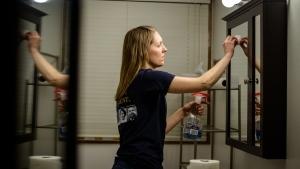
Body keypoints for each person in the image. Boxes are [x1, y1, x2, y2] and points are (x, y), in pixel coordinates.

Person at [113, 25, 237, 169]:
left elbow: (153, 132)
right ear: (143, 50)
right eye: (159, 45)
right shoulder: (149, 78)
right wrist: (228, 54)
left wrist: (183, 112)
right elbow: (204, 83)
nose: (165, 49)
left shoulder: (131, 82)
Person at [25, 31, 69, 139]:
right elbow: (58, 81)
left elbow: (55, 78)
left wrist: (33, 49)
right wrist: (61, 96)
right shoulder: (68, 68)